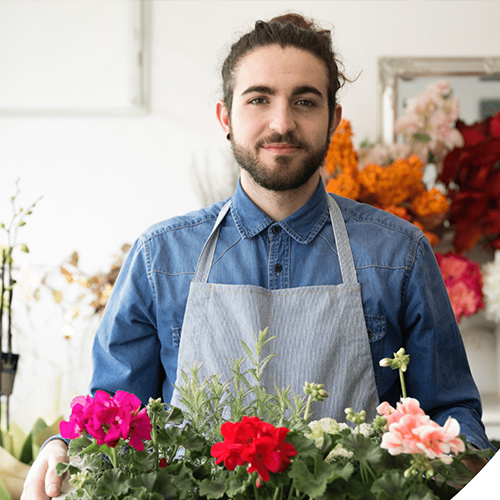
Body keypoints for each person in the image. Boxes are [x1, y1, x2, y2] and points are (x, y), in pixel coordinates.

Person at [22, 13, 491, 499]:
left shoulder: (399, 255)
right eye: (259, 99)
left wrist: (454, 457)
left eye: (305, 101)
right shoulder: (160, 258)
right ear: (226, 117)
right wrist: (63, 446)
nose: (282, 122)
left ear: (333, 117)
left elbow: (454, 416)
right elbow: (110, 417)